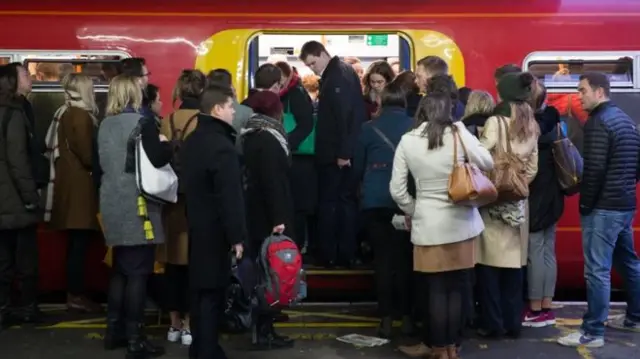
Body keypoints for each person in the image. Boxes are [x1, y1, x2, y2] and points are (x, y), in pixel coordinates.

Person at [391, 93, 493, 359]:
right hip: (462, 223)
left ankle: (437, 348)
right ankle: (451, 348)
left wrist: (416, 210)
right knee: (457, 287)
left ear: (422, 112)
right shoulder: (458, 134)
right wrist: (460, 129)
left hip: (428, 227)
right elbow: (487, 162)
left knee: (435, 289)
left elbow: (397, 190)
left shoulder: (407, 141)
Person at [558, 73, 640, 348]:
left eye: (582, 90)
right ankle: (636, 317)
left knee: (597, 271)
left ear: (600, 91)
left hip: (603, 209)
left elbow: (594, 171)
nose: (578, 97)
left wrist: (585, 205)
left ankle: (592, 332)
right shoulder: (625, 120)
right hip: (624, 205)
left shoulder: (597, 123)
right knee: (629, 263)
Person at [97, 75, 170, 358]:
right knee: (139, 271)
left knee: (120, 269)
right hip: (137, 205)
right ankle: (135, 339)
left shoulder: (104, 124)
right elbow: (158, 159)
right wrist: (167, 144)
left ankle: (113, 331)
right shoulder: (143, 124)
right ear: (133, 94)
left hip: (111, 201)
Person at [180, 84, 246, 359]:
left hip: (196, 224)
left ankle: (200, 347)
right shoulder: (222, 147)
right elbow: (229, 196)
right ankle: (207, 350)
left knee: (199, 292)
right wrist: (237, 237)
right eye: (231, 107)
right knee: (211, 294)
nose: (234, 112)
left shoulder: (193, 140)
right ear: (217, 109)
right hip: (216, 230)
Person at [353, 81, 414, 338]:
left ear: (381, 102)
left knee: (383, 261)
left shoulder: (368, 129)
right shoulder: (415, 127)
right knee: (406, 261)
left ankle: (386, 318)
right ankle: (409, 318)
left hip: (376, 202)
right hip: (407, 202)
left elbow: (357, 168)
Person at [299, 40, 367, 268]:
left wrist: (344, 152)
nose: (312, 68)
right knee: (341, 202)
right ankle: (340, 253)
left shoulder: (337, 77)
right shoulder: (340, 73)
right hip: (338, 153)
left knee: (334, 203)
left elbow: (345, 116)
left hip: (337, 156)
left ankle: (334, 254)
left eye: (313, 63)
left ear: (322, 54)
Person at [157, 69, 207, 347]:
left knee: (171, 266)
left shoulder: (168, 120)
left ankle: (173, 324)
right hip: (195, 201)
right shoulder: (204, 121)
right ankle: (189, 324)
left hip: (171, 200)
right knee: (192, 266)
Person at [44, 73, 102, 313]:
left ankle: (74, 293)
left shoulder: (65, 112)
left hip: (69, 186)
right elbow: (87, 155)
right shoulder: (79, 115)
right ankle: (76, 295)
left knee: (75, 246)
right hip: (80, 189)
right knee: (79, 246)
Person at [0, 64, 41, 330]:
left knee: (2, 259)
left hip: (3, 199)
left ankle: (3, 309)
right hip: (15, 200)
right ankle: (26, 308)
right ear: (13, 82)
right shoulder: (14, 114)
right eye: (25, 75)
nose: (30, 77)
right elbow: (18, 161)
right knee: (25, 258)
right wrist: (31, 197)